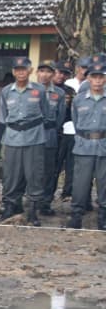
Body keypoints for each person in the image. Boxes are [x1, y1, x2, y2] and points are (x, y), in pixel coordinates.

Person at [0, 56, 49, 223]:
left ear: (30, 71)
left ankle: (33, 210)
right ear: (13, 72)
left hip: (34, 138)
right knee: (11, 175)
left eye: (24, 69)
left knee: (35, 174)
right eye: (17, 70)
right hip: (12, 138)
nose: (21, 72)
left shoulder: (39, 90)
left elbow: (46, 113)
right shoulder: (6, 91)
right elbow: (3, 116)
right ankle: (10, 206)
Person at [65, 54, 106, 230]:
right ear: (88, 78)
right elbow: (75, 121)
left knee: (104, 184)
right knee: (80, 183)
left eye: (101, 77)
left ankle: (103, 217)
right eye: (94, 77)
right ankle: (76, 216)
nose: (97, 81)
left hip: (104, 145)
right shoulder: (79, 99)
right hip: (83, 147)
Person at [35, 61, 70, 216]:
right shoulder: (29, 89)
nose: (45, 74)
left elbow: (60, 116)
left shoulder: (59, 93)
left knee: (49, 171)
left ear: (53, 74)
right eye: (41, 71)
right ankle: (27, 201)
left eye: (48, 71)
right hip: (31, 136)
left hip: (49, 135)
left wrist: (51, 130)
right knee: (30, 170)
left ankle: (45, 203)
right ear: (37, 72)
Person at [51, 59, 78, 202]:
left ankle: (66, 193)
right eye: (59, 72)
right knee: (50, 167)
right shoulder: (42, 89)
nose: (61, 76)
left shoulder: (70, 92)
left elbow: (74, 114)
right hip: (47, 133)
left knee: (67, 165)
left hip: (65, 134)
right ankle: (46, 197)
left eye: (65, 73)